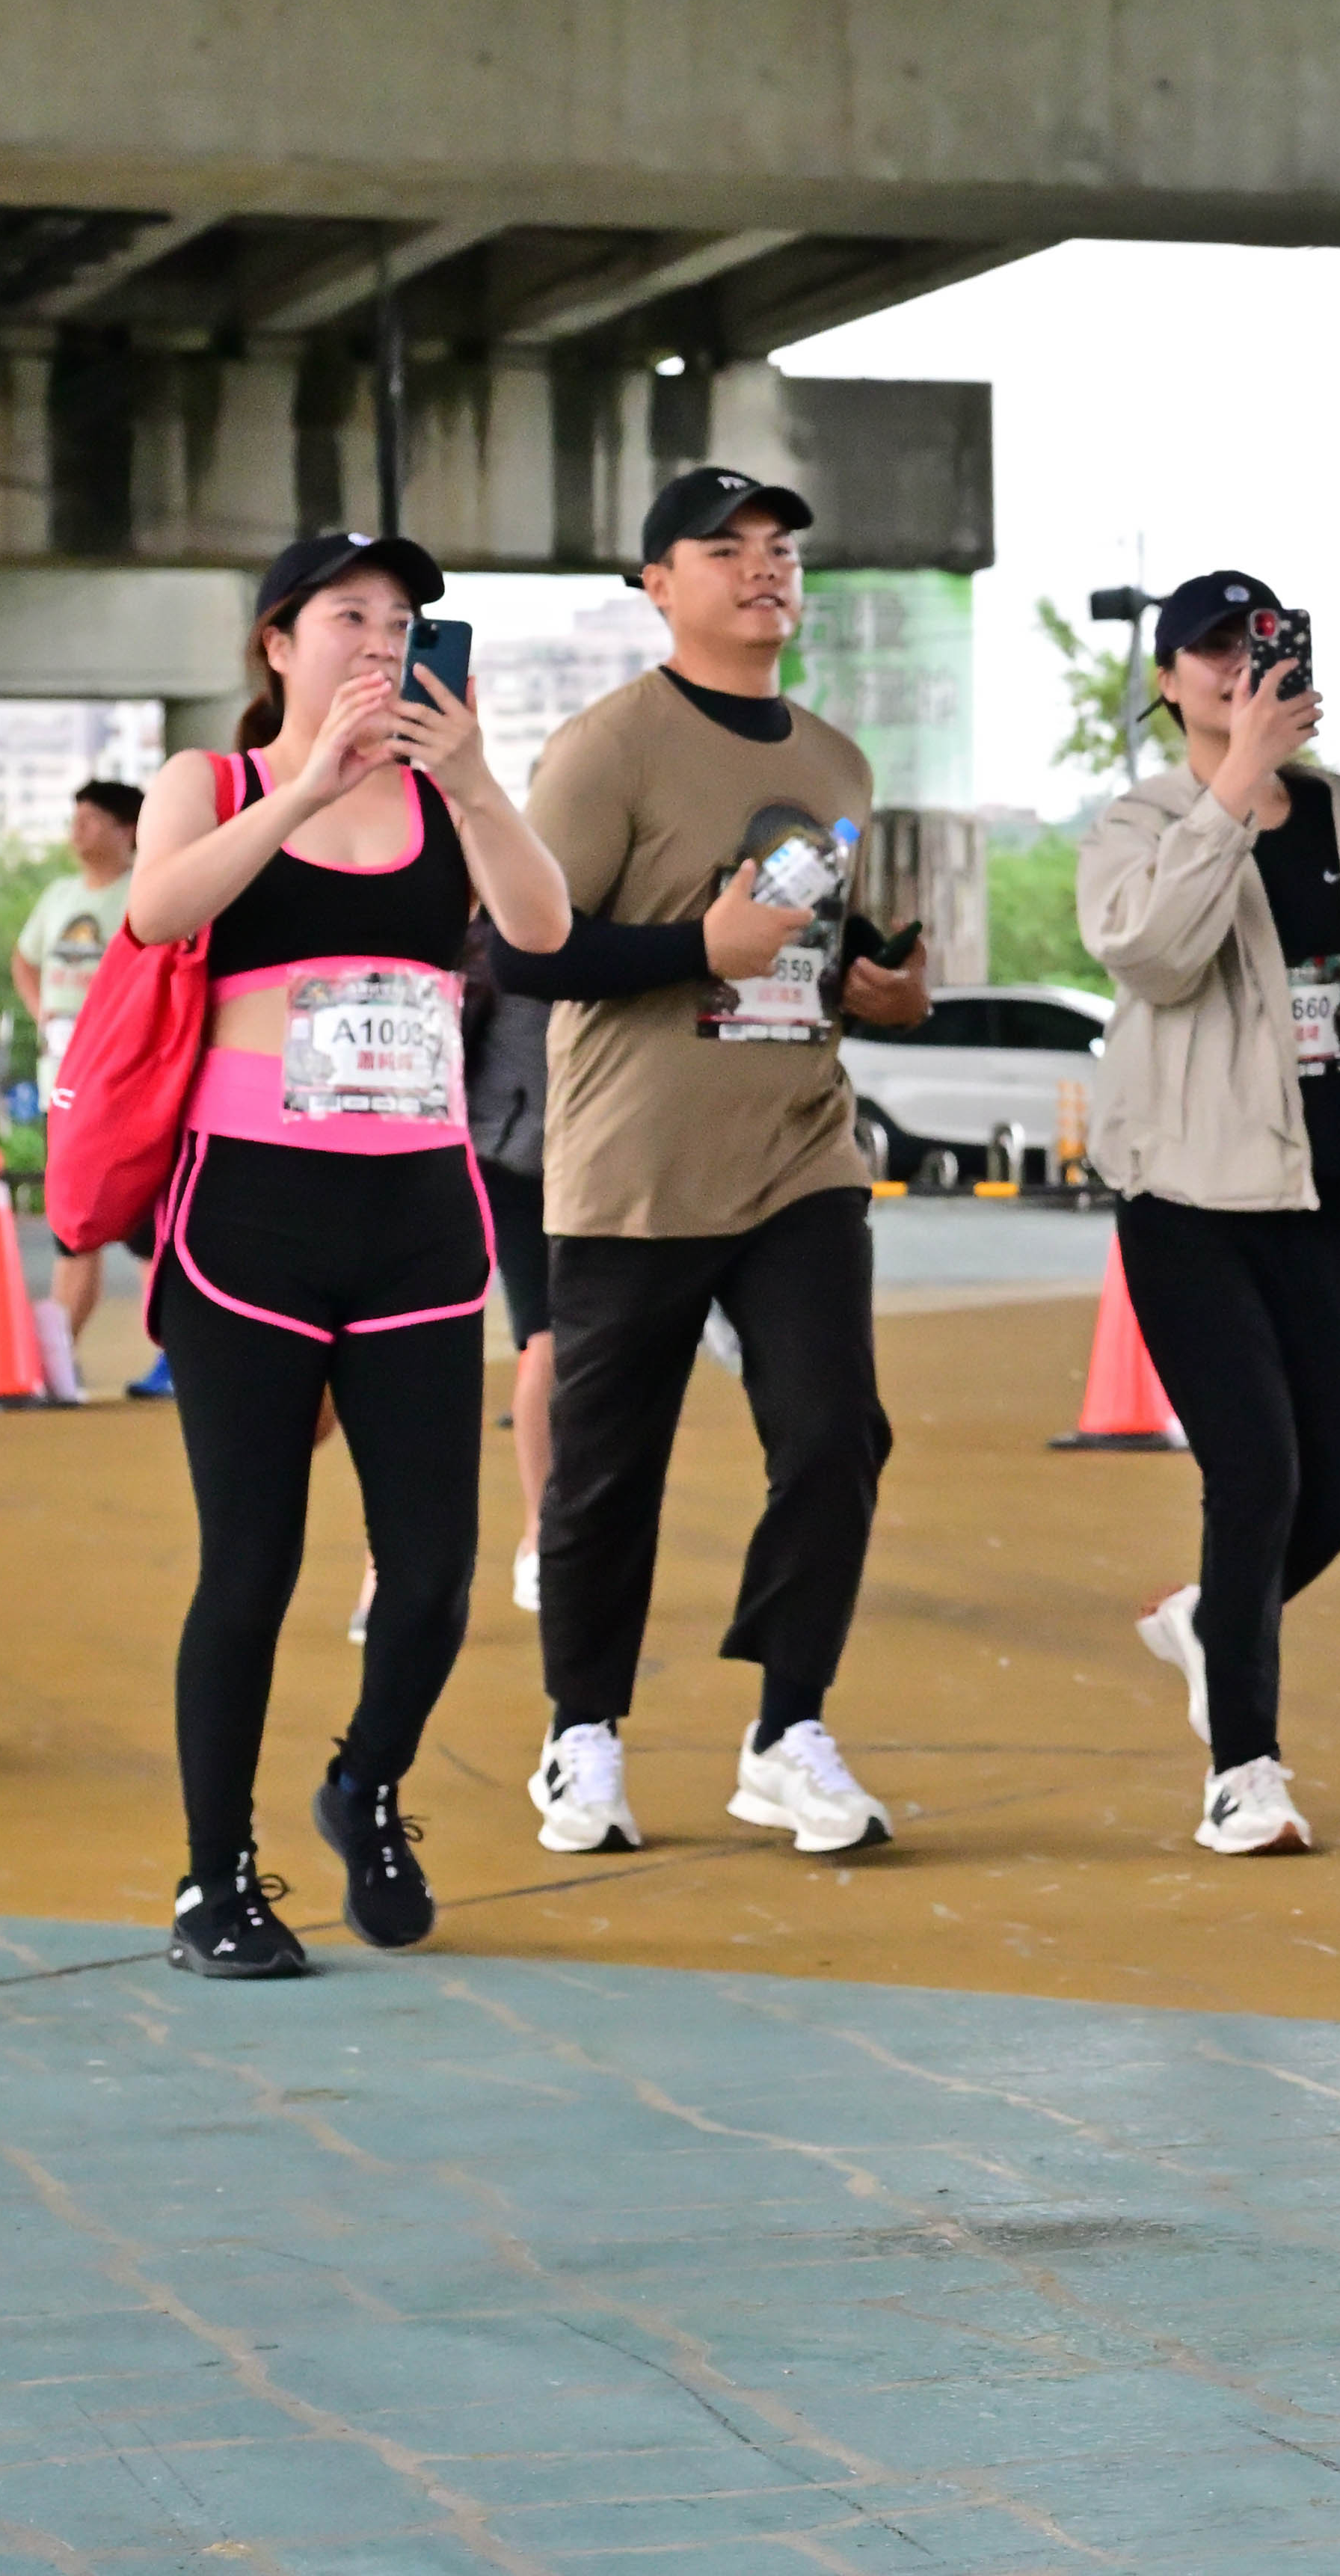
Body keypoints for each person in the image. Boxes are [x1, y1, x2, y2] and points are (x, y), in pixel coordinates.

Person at [121, 529, 572, 1978]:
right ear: (277, 644)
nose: (382, 641)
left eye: (403, 620)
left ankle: (366, 1782)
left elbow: (544, 929)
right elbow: (155, 910)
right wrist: (308, 786)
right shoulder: (213, 782)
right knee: (248, 1564)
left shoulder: (445, 797)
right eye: (349, 616)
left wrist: (478, 779)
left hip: (417, 1222)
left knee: (432, 1572)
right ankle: (214, 1883)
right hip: (249, 1218)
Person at [493, 467, 930, 1863]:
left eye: (780, 547)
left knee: (835, 1435)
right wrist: (697, 947)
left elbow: (810, 941)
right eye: (725, 547)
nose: (763, 568)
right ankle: (582, 1736)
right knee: (606, 1475)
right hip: (636, 1163)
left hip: (800, 1150)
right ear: (656, 585)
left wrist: (879, 988)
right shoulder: (606, 748)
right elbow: (525, 953)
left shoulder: (837, 760)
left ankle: (787, 1732)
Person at [1082, 571, 1340, 1857]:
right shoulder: (1138, 822)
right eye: (1207, 651)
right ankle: (1243, 1772)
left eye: (1256, 645)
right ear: (1166, 681)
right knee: (1255, 1473)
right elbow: (1153, 955)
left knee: (1335, 1496)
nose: (1235, 669)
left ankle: (1210, 1623)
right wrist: (1234, 787)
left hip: (1326, 1187)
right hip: (1187, 1195)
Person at [16, 778, 156, 1401]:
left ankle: (176, 1356)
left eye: (92, 820)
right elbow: (24, 958)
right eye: (75, 819)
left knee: (148, 1231)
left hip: (126, 1087)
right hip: (64, 1086)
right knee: (73, 1228)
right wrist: (40, 1010)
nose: (77, 831)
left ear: (128, 830)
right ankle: (57, 1361)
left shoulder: (147, 890)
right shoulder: (59, 895)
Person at [463, 914, 562, 1605]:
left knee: (567, 1345)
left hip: (586, 1160)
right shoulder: (494, 940)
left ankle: (552, 1532)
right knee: (545, 1341)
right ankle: (539, 1533)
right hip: (508, 1160)